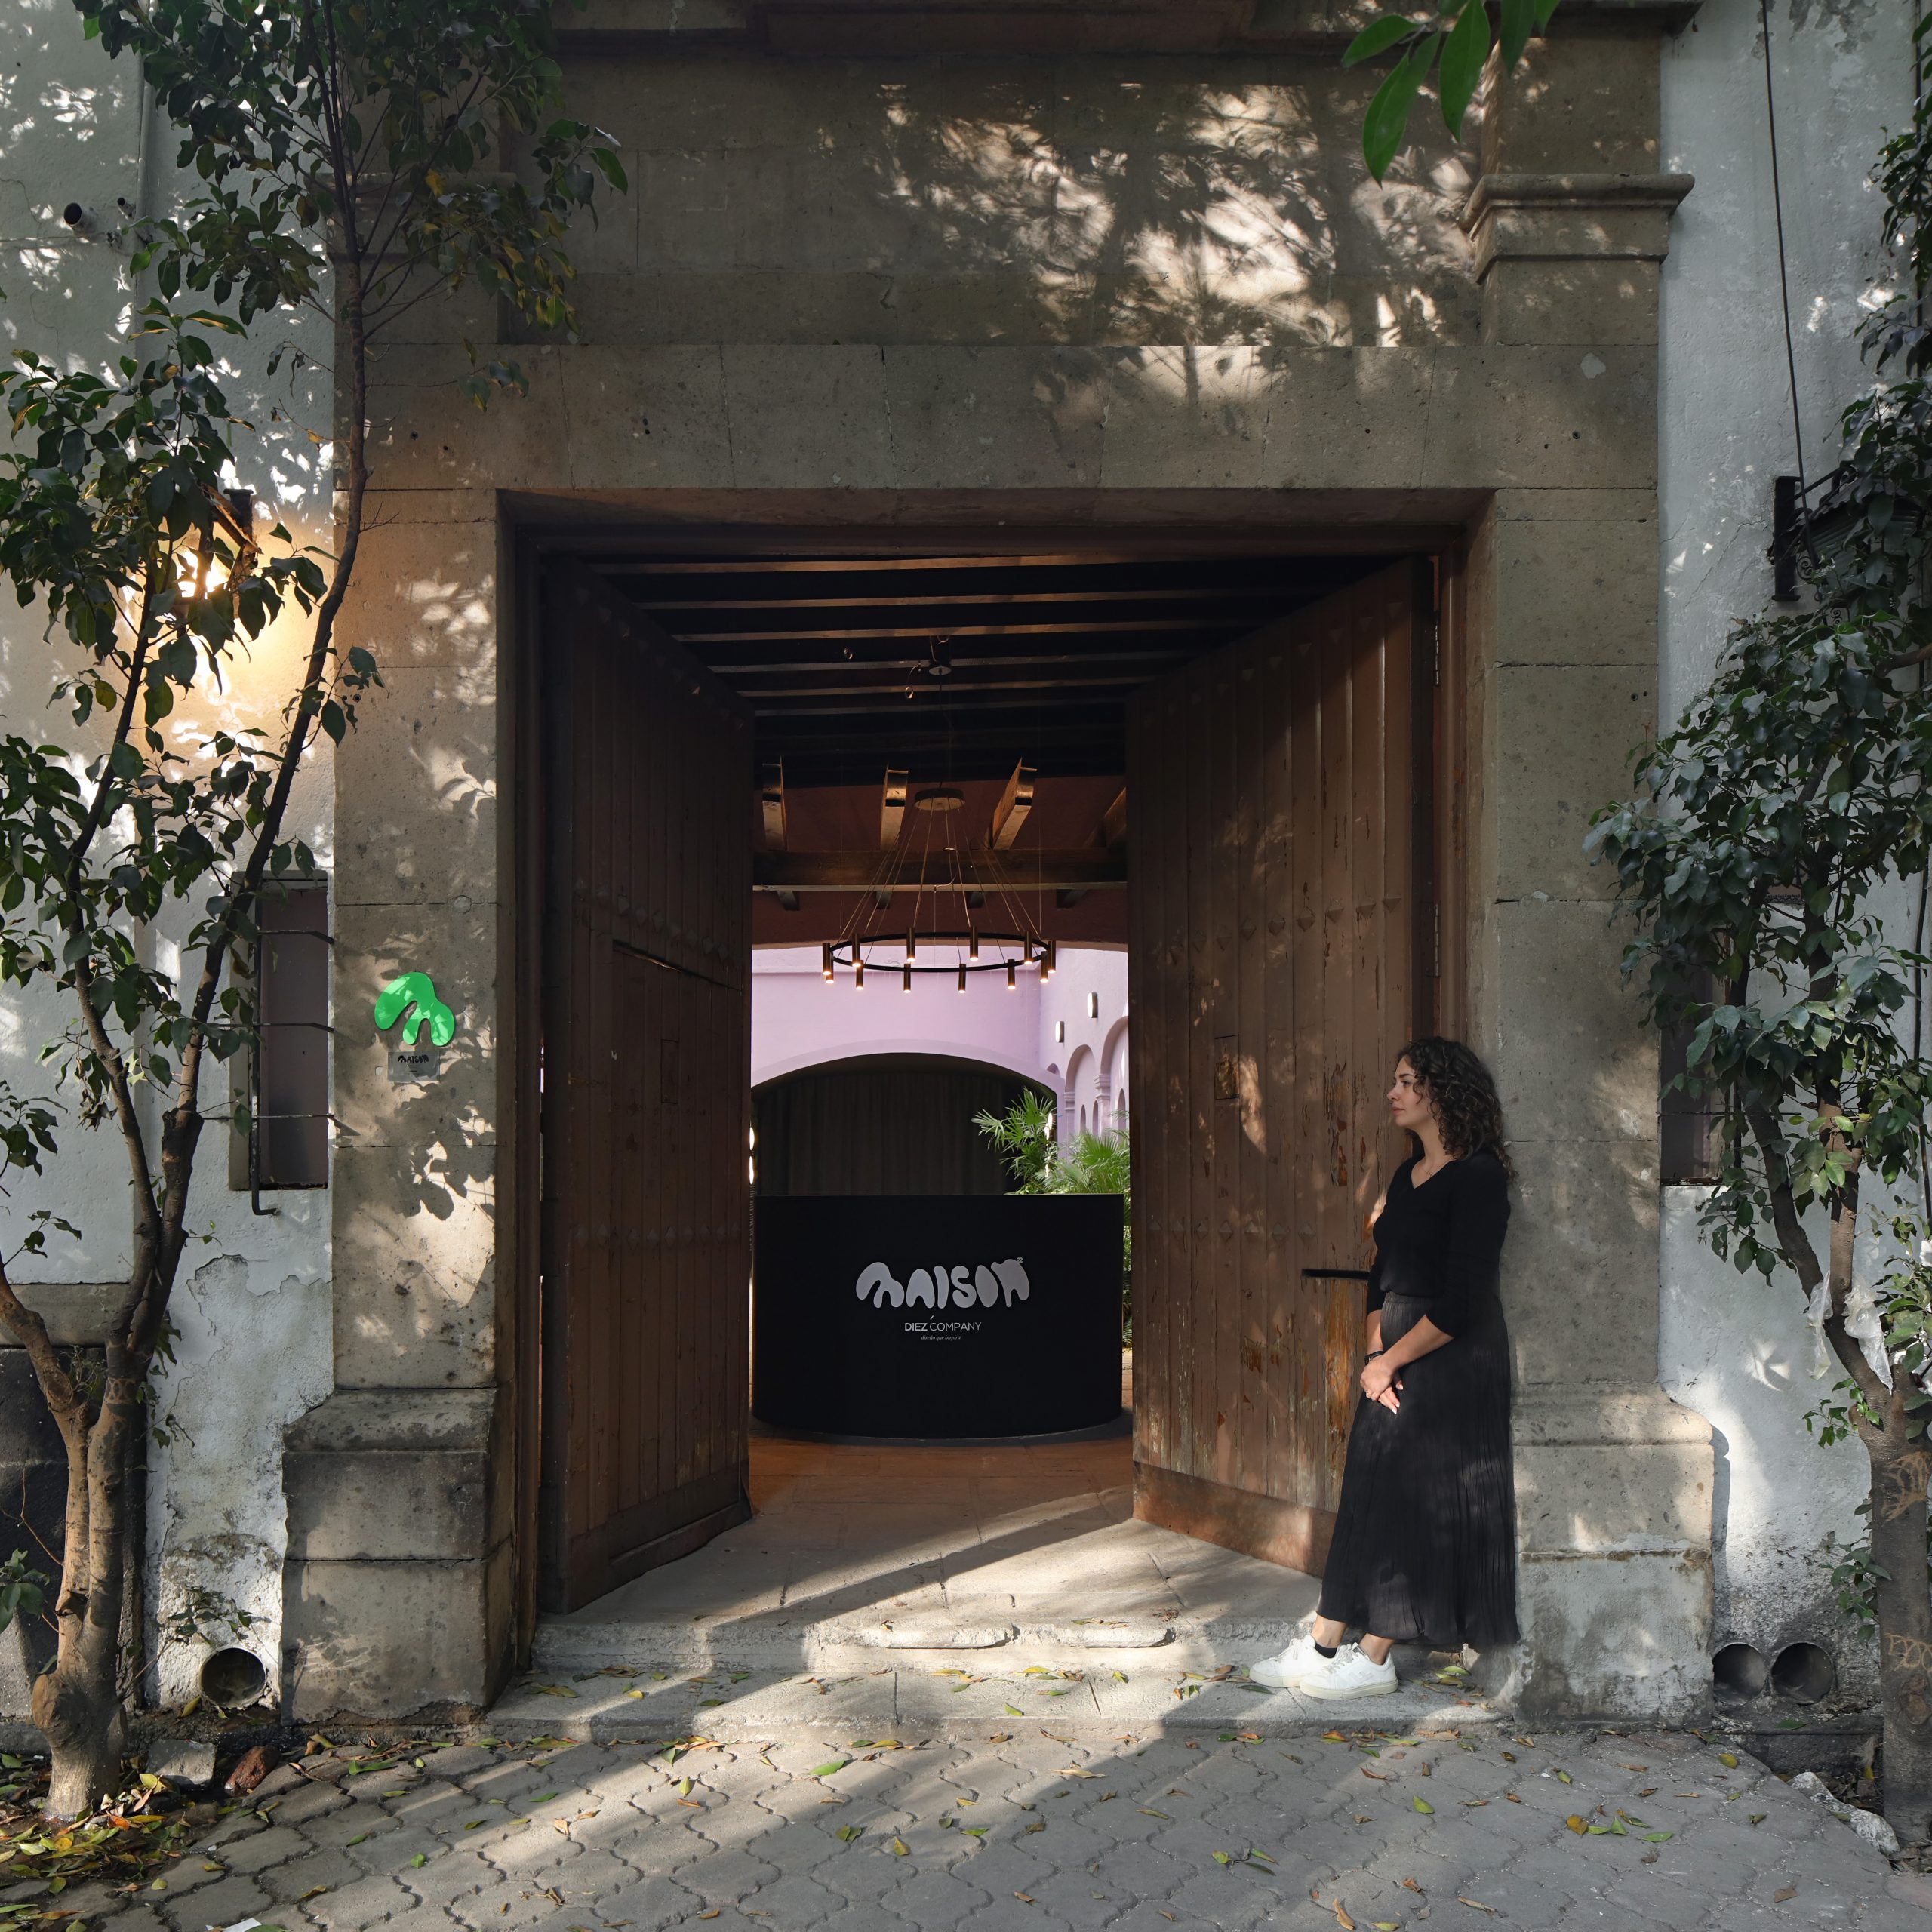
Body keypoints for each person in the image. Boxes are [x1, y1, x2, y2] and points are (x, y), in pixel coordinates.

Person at [1252, 1037, 1519, 1700]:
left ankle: (1374, 1659)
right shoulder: (1407, 1175)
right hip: (1395, 1355)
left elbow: (1465, 1299)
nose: (1392, 1093)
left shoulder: (1480, 1177)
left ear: (1442, 1090)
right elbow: (1382, 1275)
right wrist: (1376, 1356)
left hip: (1451, 1357)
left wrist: (1391, 1360)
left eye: (1405, 1081)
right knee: (1367, 1493)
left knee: (1416, 1501)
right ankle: (1324, 1642)